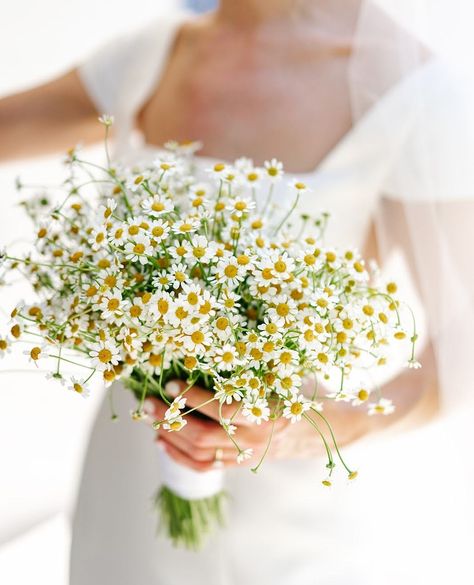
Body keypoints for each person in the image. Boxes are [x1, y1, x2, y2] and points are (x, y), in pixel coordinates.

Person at [1, 1, 472, 583]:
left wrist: (326, 428)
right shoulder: (156, 53)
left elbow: (462, 344)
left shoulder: (412, 92)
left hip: (281, 509)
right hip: (126, 474)